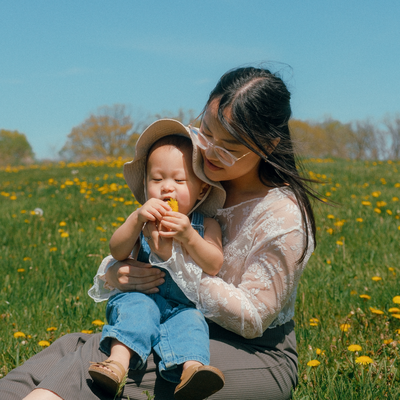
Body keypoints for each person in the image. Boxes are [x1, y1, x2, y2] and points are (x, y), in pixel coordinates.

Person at [0, 66, 318, 400]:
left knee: (92, 362)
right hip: (181, 323)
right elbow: (142, 246)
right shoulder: (201, 176)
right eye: (206, 132)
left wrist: (172, 266)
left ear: (267, 145)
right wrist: (118, 272)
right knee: (69, 347)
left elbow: (253, 319)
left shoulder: (283, 215)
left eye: (229, 145)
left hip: (254, 353)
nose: (209, 150)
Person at [88, 123, 225, 399]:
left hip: (180, 306)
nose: (167, 189)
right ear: (145, 184)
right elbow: (117, 250)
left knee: (192, 322)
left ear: (201, 191)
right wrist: (136, 218)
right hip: (142, 296)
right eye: (157, 179)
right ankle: (116, 364)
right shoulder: (143, 219)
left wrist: (189, 236)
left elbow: (214, 263)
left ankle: (193, 371)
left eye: (179, 180)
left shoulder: (205, 225)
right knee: (137, 313)